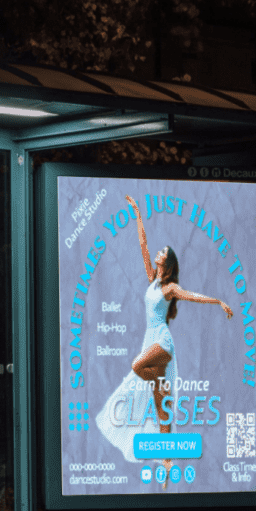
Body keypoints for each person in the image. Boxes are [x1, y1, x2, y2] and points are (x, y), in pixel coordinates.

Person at [95, 193, 233, 489]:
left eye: (163, 252)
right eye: (159, 251)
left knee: (137, 367)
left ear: (167, 263)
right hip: (150, 339)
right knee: (162, 410)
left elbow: (192, 296)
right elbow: (143, 245)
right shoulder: (152, 280)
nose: (157, 252)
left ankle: (160, 386)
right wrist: (138, 216)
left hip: (162, 342)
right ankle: (168, 464)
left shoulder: (169, 288)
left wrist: (218, 301)